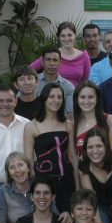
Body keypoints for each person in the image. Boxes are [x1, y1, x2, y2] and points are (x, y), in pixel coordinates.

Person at [24, 83, 77, 212]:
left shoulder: (68, 124)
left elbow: (73, 158)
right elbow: (29, 162)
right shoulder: (32, 126)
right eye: (52, 96)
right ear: (44, 99)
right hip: (44, 184)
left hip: (66, 181)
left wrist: (78, 187)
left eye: (59, 97)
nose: (56, 100)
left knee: (68, 220)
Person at [0, 152, 43, 223]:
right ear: (9, 173)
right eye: (12, 167)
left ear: (28, 168)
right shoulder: (4, 190)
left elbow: (53, 213)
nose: (17, 170)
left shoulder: (39, 185)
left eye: (20, 165)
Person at [30, 21, 91, 86]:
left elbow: (86, 82)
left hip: (75, 95)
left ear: (75, 35)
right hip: (54, 95)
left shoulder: (84, 56)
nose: (66, 39)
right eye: (63, 36)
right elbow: (29, 69)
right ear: (59, 37)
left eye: (69, 35)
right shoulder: (52, 55)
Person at [71, 80, 112, 157]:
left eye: (91, 97)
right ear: (76, 100)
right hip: (82, 168)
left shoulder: (110, 120)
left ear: (97, 99)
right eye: (82, 97)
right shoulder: (72, 125)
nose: (86, 101)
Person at [36, 47, 77, 114]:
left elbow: (70, 113)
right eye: (48, 60)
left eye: (55, 60)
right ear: (42, 62)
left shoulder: (68, 87)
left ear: (60, 63)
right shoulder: (32, 83)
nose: (51, 63)